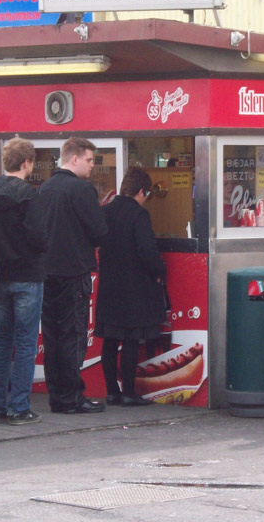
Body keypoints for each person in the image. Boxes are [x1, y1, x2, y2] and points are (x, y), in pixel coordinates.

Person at [0, 138, 48, 426]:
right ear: (27, 163)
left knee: (1, 341)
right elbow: (39, 238)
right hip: (27, 275)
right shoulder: (30, 196)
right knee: (25, 341)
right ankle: (20, 406)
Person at [39, 137, 108, 414]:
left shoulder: (44, 188)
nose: (92, 166)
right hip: (74, 271)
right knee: (73, 334)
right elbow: (99, 231)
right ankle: (72, 397)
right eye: (90, 160)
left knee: (52, 335)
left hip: (47, 272)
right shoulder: (81, 190)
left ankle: (57, 395)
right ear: (74, 159)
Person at [96, 168, 167, 407]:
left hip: (108, 287)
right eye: (146, 194)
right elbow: (147, 251)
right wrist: (159, 271)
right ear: (140, 191)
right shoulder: (138, 215)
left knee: (109, 339)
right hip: (133, 288)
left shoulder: (105, 211)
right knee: (130, 340)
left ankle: (111, 391)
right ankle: (128, 392)